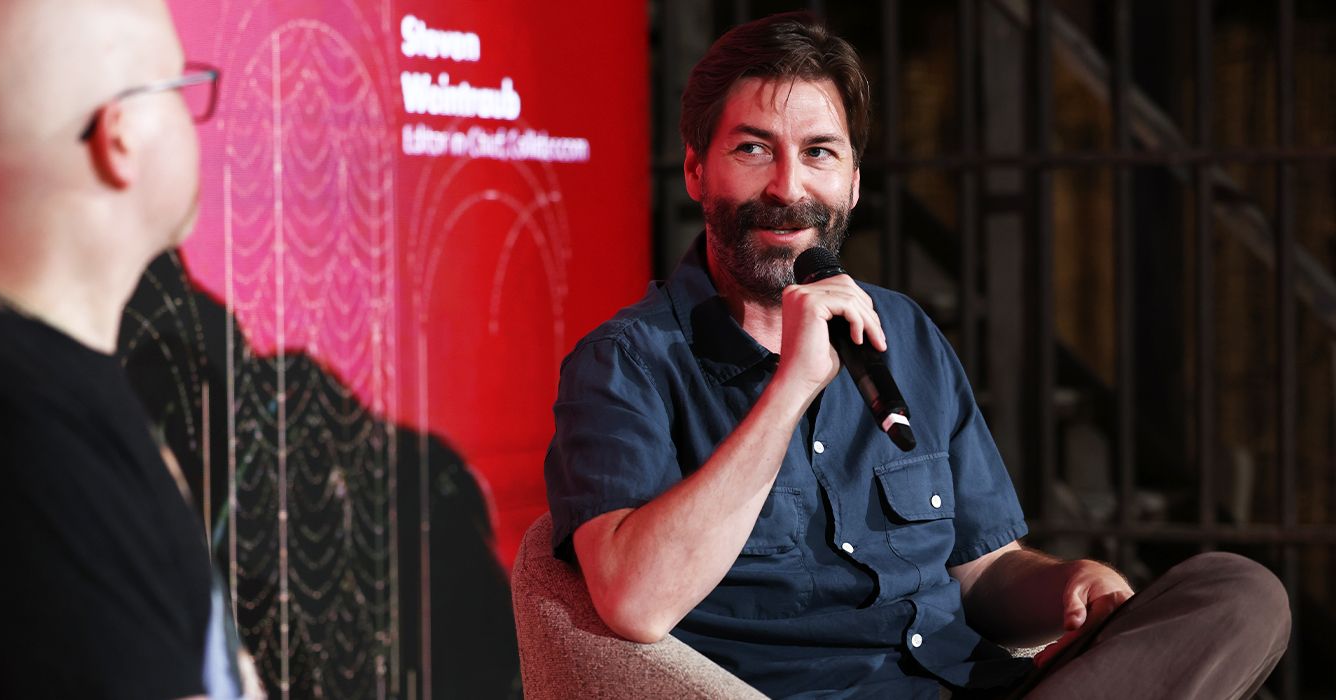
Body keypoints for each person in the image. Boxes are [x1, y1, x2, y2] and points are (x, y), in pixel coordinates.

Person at [544, 12, 1289, 699]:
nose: (787, 186)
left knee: (1238, 591)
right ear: (696, 170)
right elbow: (632, 601)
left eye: (818, 153)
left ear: (854, 184)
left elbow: (982, 569)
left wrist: (1072, 583)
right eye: (751, 149)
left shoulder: (901, 328)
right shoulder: (628, 362)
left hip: (977, 685)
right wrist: (790, 390)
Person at [0, 1, 255, 697]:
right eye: (179, 86)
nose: (197, 116)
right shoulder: (16, 438)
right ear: (121, 137)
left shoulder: (17, 391)